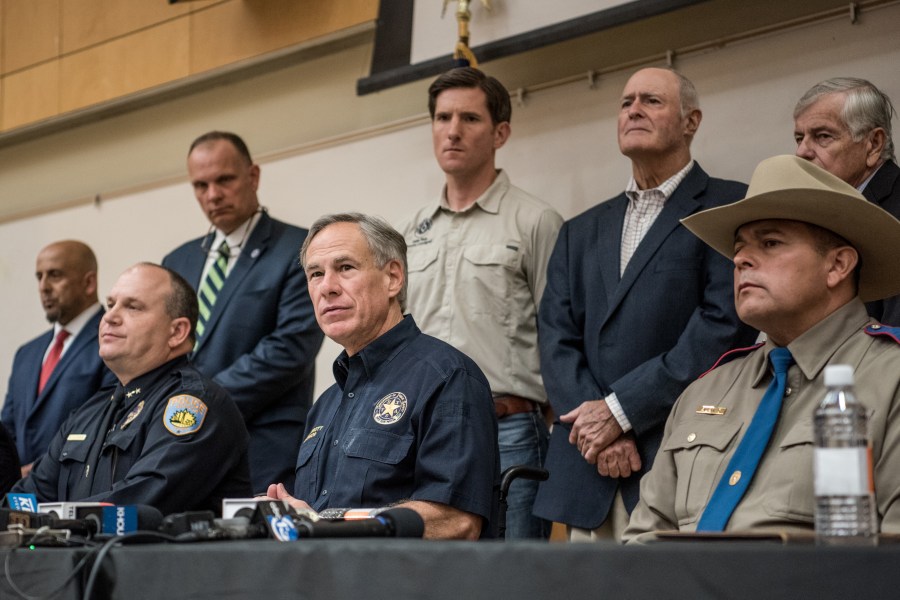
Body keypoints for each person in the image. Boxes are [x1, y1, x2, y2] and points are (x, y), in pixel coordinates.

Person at [624, 155, 900, 540]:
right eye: (739, 249)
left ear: (838, 265)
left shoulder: (891, 380)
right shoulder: (705, 390)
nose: (740, 259)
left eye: (770, 242)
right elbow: (638, 546)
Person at [534, 67, 758, 540]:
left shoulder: (729, 207)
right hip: (588, 465)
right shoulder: (579, 230)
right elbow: (555, 337)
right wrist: (596, 426)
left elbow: (723, 326)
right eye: (625, 102)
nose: (633, 109)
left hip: (679, 455)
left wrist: (621, 412)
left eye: (651, 101)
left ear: (690, 121)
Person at [398, 67, 563, 539]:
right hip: (421, 432)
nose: (452, 130)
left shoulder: (536, 221)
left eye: (469, 118)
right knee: (425, 575)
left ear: (500, 133)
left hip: (507, 430)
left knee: (512, 578)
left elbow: (560, 335)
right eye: (442, 117)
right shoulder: (409, 231)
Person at [267, 213, 499, 540]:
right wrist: (292, 516)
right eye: (315, 274)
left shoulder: (447, 377)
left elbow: (456, 521)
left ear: (393, 277)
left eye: (345, 268)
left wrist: (327, 526)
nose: (327, 287)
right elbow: (319, 519)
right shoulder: (325, 404)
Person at [12, 263, 251, 515]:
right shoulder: (89, 411)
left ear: (177, 331)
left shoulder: (194, 404)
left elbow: (137, 503)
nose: (109, 317)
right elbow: (25, 499)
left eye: (132, 307)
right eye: (110, 304)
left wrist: (50, 521)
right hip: (76, 554)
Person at [162, 131, 323, 493]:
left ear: (253, 176)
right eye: (200, 185)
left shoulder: (300, 247)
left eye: (224, 180)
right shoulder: (178, 261)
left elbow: (289, 349)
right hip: (183, 442)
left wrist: (199, 400)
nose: (212, 195)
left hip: (263, 444)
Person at [2, 241, 115, 477]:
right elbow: (8, 429)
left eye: (54, 275)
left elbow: (105, 427)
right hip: (16, 497)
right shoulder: (27, 353)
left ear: (89, 282)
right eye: (39, 277)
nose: (43, 287)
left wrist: (36, 472)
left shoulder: (115, 340)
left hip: (77, 490)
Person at [793, 77, 900, 325]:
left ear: (874, 144)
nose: (802, 152)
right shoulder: (820, 213)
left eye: (822, 136)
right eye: (800, 138)